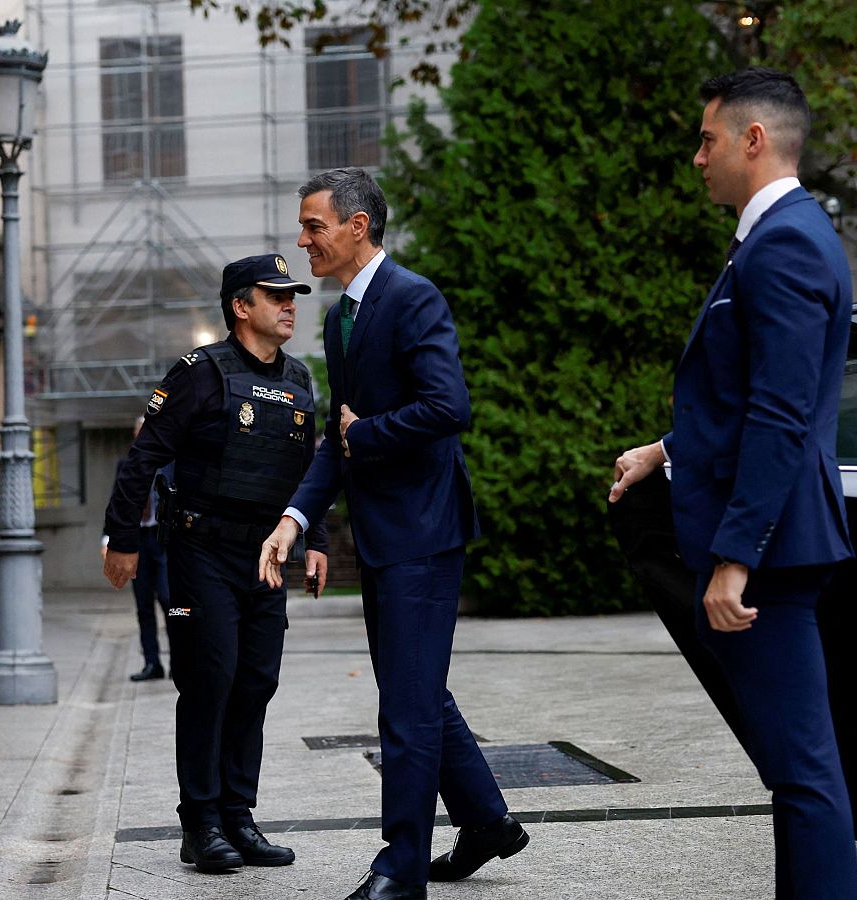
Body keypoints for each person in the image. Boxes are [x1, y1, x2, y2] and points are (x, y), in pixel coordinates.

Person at [609, 68, 857, 899]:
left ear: (753, 140)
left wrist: (734, 557)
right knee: (796, 774)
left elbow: (781, 415)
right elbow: (749, 396)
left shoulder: (784, 240)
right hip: (774, 544)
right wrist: (666, 449)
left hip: (772, 555)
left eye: (707, 138)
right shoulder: (777, 235)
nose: (696, 157)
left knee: (803, 775)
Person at [257, 168, 526, 900]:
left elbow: (449, 407)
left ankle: (400, 869)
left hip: (423, 532)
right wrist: (295, 518)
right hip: (385, 534)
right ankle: (487, 822)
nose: (303, 239)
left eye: (314, 226)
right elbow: (338, 443)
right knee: (417, 690)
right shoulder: (344, 316)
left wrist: (367, 433)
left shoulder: (413, 298)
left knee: (405, 704)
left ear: (357, 227)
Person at [102, 253, 329, 875]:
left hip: (265, 557)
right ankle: (200, 825)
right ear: (240, 306)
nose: (289, 304)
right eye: (275, 294)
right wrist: (122, 538)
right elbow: (142, 459)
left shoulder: (301, 380)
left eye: (293, 295)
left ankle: (239, 818)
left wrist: (317, 539)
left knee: (256, 684)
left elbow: (307, 473)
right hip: (201, 551)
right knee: (211, 681)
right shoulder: (199, 374)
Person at [103, 420, 177, 682]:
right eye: (140, 432)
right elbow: (117, 501)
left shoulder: (172, 462)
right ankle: (151, 663)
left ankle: (177, 662)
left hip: (164, 540)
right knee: (143, 604)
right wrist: (108, 540)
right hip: (136, 541)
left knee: (170, 601)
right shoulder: (127, 466)